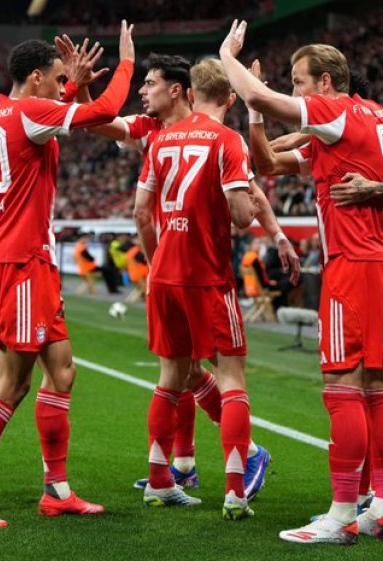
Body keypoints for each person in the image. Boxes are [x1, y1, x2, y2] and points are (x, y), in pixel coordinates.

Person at [57, 46, 296, 497]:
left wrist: (276, 233)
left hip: (187, 267)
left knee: (189, 372)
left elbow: (248, 192)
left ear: (179, 91)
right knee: (189, 373)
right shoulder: (154, 128)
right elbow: (96, 121)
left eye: (149, 84)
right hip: (182, 266)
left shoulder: (169, 137)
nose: (142, 93)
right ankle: (189, 464)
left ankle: (209, 460)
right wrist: (84, 89)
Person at [219, 21, 383, 543]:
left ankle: (341, 515)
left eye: (300, 81)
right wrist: (257, 122)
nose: (296, 91)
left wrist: (228, 56)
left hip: (351, 268)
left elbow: (258, 94)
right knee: (378, 390)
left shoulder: (335, 113)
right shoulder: (372, 118)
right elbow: (268, 163)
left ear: (326, 83)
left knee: (341, 389)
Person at [0, 22, 136, 528]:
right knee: (12, 382)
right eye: (57, 78)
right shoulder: (29, 113)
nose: (62, 84)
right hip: (20, 261)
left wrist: (71, 86)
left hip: (26, 259)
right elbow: (104, 111)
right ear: (36, 78)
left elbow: (48, 120)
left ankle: (56, 491)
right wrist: (127, 62)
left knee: (62, 371)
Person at [133, 57, 260, 519]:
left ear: (188, 92)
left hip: (165, 273)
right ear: (231, 99)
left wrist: (155, 263)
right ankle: (235, 492)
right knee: (232, 379)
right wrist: (250, 202)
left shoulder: (160, 139)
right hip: (208, 276)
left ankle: (161, 480)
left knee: (170, 379)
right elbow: (242, 216)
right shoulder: (228, 140)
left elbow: (141, 213)